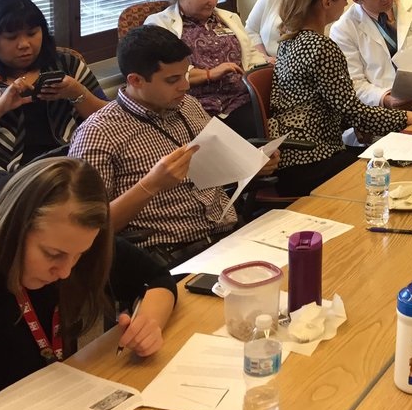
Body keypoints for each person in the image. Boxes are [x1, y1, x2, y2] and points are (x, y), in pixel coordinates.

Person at [0, 157, 176, 410]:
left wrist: (149, 322)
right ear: (14, 228)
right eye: (52, 254)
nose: (66, 271)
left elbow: (156, 277)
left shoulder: (73, 239)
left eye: (79, 254)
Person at [69, 25, 276, 266]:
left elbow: (219, 166)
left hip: (230, 235)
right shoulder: (98, 134)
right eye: (172, 80)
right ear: (135, 80)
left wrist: (252, 163)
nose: (185, 86)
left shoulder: (187, 105)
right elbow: (88, 229)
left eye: (185, 75)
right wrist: (151, 185)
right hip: (169, 256)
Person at [270, 0, 412, 195]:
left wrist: (356, 122)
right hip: (313, 160)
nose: (347, 4)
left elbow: (328, 105)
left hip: (294, 159)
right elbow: (353, 109)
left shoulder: (289, 41)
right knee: (400, 175)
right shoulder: (322, 47)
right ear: (327, 3)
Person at [0, 0, 107, 207]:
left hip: (62, 166)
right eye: (11, 38)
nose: (24, 44)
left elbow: (110, 119)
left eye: (32, 33)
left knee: (60, 170)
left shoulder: (66, 65)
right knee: (43, 178)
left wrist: (77, 93)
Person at [145, 0, 268, 137]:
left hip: (238, 99)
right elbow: (163, 73)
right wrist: (209, 74)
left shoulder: (229, 18)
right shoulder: (159, 24)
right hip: (194, 104)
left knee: (256, 138)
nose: (212, 2)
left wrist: (267, 65)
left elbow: (250, 55)